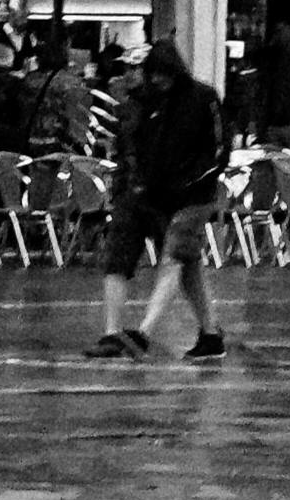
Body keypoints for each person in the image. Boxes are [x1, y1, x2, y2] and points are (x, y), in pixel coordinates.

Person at [87, 28, 240, 359]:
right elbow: (140, 145)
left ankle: (143, 334)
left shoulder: (202, 98)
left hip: (194, 196)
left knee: (174, 260)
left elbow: (219, 148)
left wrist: (193, 181)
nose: (157, 80)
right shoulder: (150, 102)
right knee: (185, 263)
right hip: (154, 194)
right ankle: (210, 334)